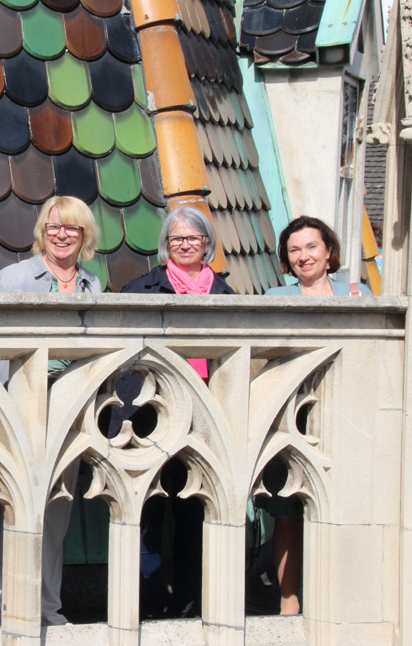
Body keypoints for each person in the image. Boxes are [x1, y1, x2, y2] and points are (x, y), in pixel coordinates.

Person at [0, 195, 102, 626]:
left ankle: (47, 609)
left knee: (56, 511)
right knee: (14, 507)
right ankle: (8, 608)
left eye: (71, 227)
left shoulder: (92, 284)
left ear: (84, 234)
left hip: (69, 408)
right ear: (42, 231)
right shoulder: (14, 277)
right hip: (19, 404)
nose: (62, 234)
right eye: (54, 226)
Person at [122, 205, 233, 619]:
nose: (185, 244)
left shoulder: (226, 296)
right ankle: (146, 603)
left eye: (193, 237)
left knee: (194, 512)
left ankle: (190, 602)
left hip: (205, 417)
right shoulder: (140, 290)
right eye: (176, 238)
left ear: (207, 244)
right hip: (151, 415)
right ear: (165, 245)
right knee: (146, 512)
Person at [262, 216, 369, 615]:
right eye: (294, 250)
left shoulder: (356, 293)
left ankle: (342, 601)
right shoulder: (274, 297)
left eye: (311, 247)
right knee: (287, 514)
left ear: (329, 251)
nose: (303, 256)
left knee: (345, 512)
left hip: (345, 416)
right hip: (291, 417)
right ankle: (289, 604)